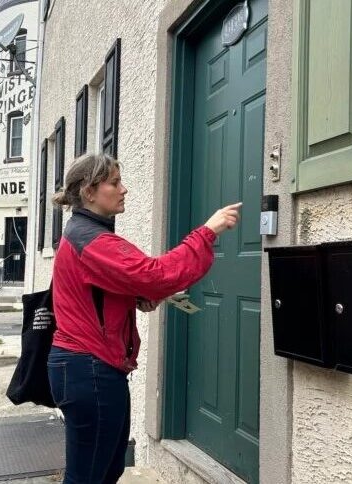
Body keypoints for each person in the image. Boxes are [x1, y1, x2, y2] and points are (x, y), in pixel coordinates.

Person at [48, 153, 241, 483]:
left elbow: (104, 288)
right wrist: (206, 232)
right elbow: (153, 274)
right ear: (89, 192)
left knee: (106, 470)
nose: (124, 189)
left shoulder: (86, 234)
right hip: (89, 370)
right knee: (89, 477)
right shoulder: (91, 239)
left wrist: (137, 298)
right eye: (114, 182)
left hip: (89, 368)